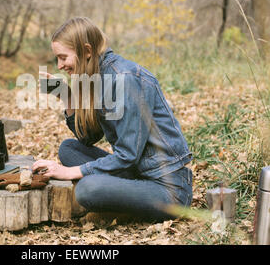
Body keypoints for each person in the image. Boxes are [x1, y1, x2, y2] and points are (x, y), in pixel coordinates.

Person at [33, 17, 193, 222]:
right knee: (69, 149)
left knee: (87, 189)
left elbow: (127, 155)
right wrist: (66, 96)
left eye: (63, 57)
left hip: (169, 189)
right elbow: (87, 139)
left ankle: (115, 205)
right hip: (137, 174)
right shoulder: (97, 78)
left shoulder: (125, 79)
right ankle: (119, 199)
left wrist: (70, 172)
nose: (60, 65)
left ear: (87, 51)